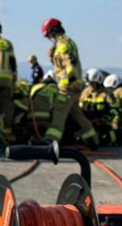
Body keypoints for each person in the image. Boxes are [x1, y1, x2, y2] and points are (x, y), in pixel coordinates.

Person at [41, 18, 99, 148]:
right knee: (77, 113)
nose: (49, 38)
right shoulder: (68, 42)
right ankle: (92, 140)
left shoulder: (62, 45)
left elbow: (69, 64)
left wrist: (68, 81)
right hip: (75, 84)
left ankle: (51, 140)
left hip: (68, 85)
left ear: (52, 32)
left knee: (59, 112)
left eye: (48, 35)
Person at [80, 68, 117, 145]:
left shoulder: (106, 93)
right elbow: (80, 106)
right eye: (89, 84)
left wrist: (107, 119)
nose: (91, 86)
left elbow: (114, 109)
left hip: (102, 122)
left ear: (98, 82)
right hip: (88, 121)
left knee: (107, 140)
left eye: (92, 83)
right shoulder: (86, 92)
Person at [29, 70, 58, 138]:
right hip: (46, 119)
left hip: (31, 119)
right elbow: (55, 105)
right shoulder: (54, 88)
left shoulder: (35, 87)